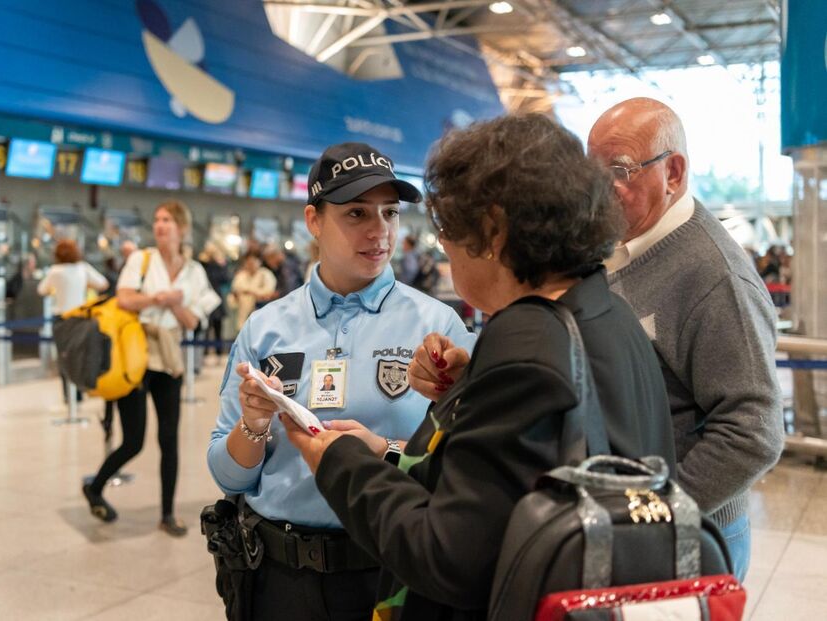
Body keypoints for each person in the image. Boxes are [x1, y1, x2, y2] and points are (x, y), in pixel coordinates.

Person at [281, 115, 677, 620]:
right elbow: (520, 484)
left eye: (448, 229)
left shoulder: (524, 342)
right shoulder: (605, 311)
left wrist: (338, 461)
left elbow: (447, 557)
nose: (443, 247)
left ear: (492, 230)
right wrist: (443, 410)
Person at [207, 141, 476, 621]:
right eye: (356, 214)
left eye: (390, 213)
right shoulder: (266, 327)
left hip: (389, 574)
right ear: (314, 221)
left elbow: (470, 468)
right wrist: (251, 425)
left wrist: (386, 448)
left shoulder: (439, 328)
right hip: (277, 579)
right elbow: (230, 476)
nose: (380, 232)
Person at [587, 97, 783, 581]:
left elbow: (753, 432)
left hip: (687, 537)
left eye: (620, 169)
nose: (599, 189)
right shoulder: (621, 246)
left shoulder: (715, 276)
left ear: (673, 172)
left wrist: (654, 513)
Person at [83, 200, 220, 537]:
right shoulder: (141, 260)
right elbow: (124, 298)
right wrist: (159, 298)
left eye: (168, 220)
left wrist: (176, 304)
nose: (160, 225)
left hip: (169, 356)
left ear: (182, 228)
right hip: (135, 353)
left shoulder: (195, 273)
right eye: (157, 219)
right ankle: (95, 486)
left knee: (169, 438)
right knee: (134, 440)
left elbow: (191, 322)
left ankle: (167, 513)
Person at [38, 240, 108, 403]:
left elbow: (41, 290)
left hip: (62, 319)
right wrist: (85, 285)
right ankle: (80, 391)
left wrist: (55, 290)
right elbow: (103, 284)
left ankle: (68, 396)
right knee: (81, 355)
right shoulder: (83, 268)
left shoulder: (55, 271)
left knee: (64, 357)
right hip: (81, 318)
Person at [199, 242, 232, 357]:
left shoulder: (219, 265)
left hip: (217, 299)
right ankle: (205, 352)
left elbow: (225, 279)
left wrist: (222, 265)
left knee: (218, 327)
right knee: (206, 327)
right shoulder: (202, 265)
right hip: (205, 298)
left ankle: (219, 353)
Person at [229, 253, 276, 332]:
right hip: (242, 312)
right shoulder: (241, 275)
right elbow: (236, 290)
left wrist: (249, 291)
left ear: (259, 262)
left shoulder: (265, 274)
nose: (251, 265)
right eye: (248, 262)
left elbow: (268, 292)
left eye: (253, 262)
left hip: (261, 309)